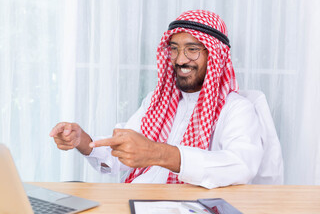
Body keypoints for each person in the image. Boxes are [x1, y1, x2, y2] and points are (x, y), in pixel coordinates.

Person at [50, 10, 283, 189]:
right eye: (174, 49)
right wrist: (82, 140)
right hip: (139, 200)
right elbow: (122, 154)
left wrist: (159, 153)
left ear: (215, 57)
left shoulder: (237, 109)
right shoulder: (157, 101)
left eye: (192, 50)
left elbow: (240, 166)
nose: (180, 60)